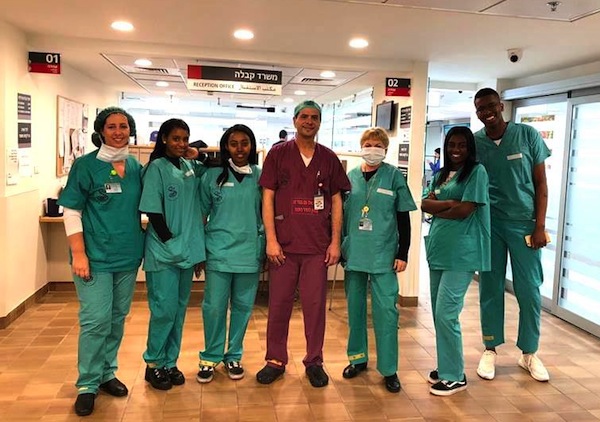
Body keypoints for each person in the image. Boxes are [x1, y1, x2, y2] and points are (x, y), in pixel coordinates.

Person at [256, 100, 351, 387]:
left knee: (314, 307)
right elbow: (268, 197)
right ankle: (275, 359)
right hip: (283, 246)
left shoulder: (329, 158)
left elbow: (336, 201)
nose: (309, 121)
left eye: (315, 117)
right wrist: (271, 240)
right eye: (304, 116)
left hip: (316, 247)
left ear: (320, 122)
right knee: (279, 305)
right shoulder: (278, 154)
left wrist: (335, 243)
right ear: (295, 120)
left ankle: (314, 361)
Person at [58, 107, 145, 417]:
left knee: (117, 317)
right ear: (101, 130)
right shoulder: (85, 166)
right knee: (95, 320)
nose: (118, 131)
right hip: (94, 257)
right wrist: (79, 254)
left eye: (123, 126)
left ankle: (107, 372)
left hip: (127, 255)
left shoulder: (135, 167)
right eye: (112, 127)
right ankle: (87, 384)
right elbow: (71, 211)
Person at [473, 87, 551, 382]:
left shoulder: (527, 135)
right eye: (481, 109)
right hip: (489, 224)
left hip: (524, 225)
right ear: (477, 111)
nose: (487, 112)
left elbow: (541, 184)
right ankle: (490, 347)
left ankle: (529, 352)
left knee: (529, 289)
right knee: (489, 287)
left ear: (501, 105)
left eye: (491, 106)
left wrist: (539, 225)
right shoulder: (476, 142)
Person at [341, 127, 416, 393]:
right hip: (355, 253)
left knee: (386, 312)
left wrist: (402, 253)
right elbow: (342, 216)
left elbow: (404, 216)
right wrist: (341, 248)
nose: (372, 148)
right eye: (368, 144)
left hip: (384, 254)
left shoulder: (394, 176)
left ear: (385, 150)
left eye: (378, 145)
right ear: (361, 146)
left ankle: (389, 369)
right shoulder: (349, 177)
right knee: (355, 310)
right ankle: (357, 359)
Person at [421, 126, 491, 396]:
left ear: (470, 148)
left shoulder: (477, 173)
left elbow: (464, 210)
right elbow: (425, 204)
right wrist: (447, 202)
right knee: (440, 314)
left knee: (446, 313)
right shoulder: (439, 174)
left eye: (462, 145)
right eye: (452, 144)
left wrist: (446, 204)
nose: (456, 150)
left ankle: (455, 376)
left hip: (462, 253)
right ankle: (445, 366)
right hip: (439, 249)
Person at [139, 118, 206, 391]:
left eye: (185, 139)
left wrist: (195, 153)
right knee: (163, 310)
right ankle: (153, 363)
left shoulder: (189, 166)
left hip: (187, 251)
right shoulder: (155, 168)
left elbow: (215, 166)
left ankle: (170, 362)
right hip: (164, 253)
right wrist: (169, 241)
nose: (181, 143)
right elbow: (152, 212)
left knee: (178, 311)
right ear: (164, 138)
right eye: (176, 138)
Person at [196, 124, 264, 383]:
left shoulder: (260, 176)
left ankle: (233, 354)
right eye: (233, 143)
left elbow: (267, 215)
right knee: (213, 307)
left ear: (252, 146)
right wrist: (198, 251)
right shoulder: (212, 176)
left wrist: (266, 245)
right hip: (218, 252)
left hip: (249, 253)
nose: (239, 149)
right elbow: (201, 215)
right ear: (225, 146)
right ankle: (210, 357)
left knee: (243, 308)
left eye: (244, 143)